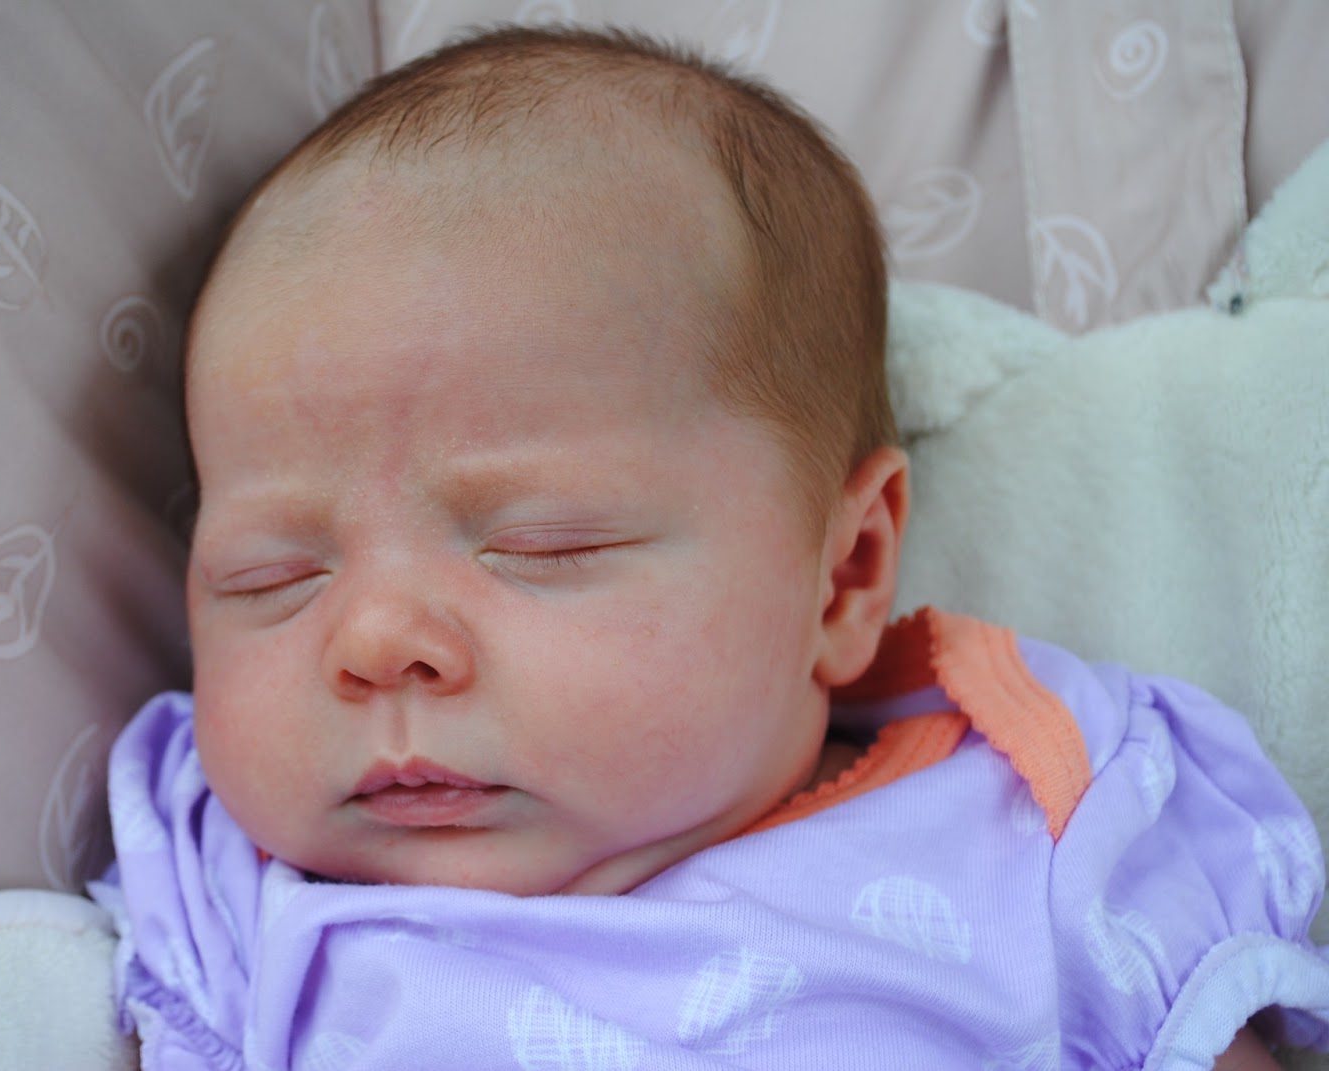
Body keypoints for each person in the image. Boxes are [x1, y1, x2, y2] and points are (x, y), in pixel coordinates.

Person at [88, 25, 1328, 1070]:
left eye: (539, 544)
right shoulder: (237, 896)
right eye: (271, 575)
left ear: (841, 576)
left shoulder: (1039, 819)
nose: (371, 641)